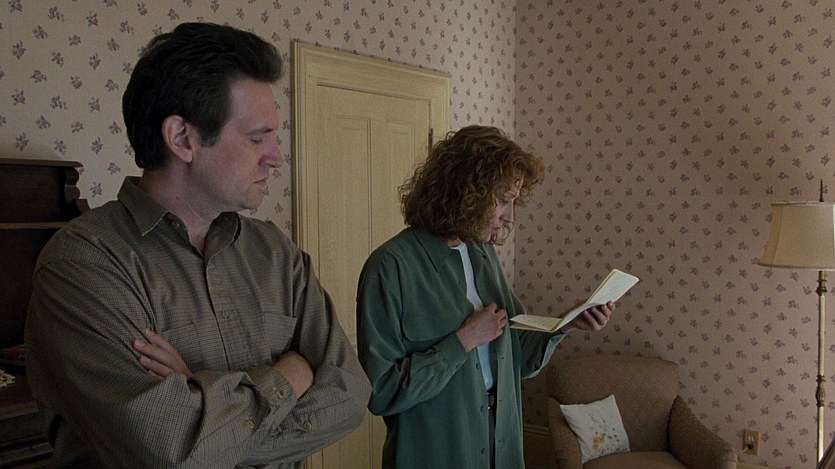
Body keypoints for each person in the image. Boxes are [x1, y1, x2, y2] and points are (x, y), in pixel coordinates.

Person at [24, 22, 371, 468]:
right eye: (257, 138)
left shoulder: (276, 255)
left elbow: (350, 395)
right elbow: (169, 452)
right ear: (182, 138)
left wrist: (203, 408)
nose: (276, 157)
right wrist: (290, 375)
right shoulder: (84, 266)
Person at [356, 125, 615, 469]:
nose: (510, 216)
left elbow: (519, 356)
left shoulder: (483, 253)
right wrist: (463, 341)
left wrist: (567, 323)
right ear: (466, 192)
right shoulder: (389, 268)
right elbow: (381, 392)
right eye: (504, 200)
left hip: (501, 447)